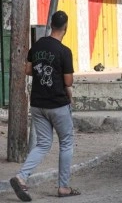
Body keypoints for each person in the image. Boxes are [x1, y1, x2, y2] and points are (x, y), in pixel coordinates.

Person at [10, 11, 81, 201]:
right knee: (66, 143)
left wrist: (42, 73)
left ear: (51, 24)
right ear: (65, 27)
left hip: (38, 104)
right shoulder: (64, 51)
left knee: (42, 144)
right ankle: (63, 187)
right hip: (57, 104)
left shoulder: (38, 45)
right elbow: (68, 81)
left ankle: (21, 176)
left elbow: (27, 69)